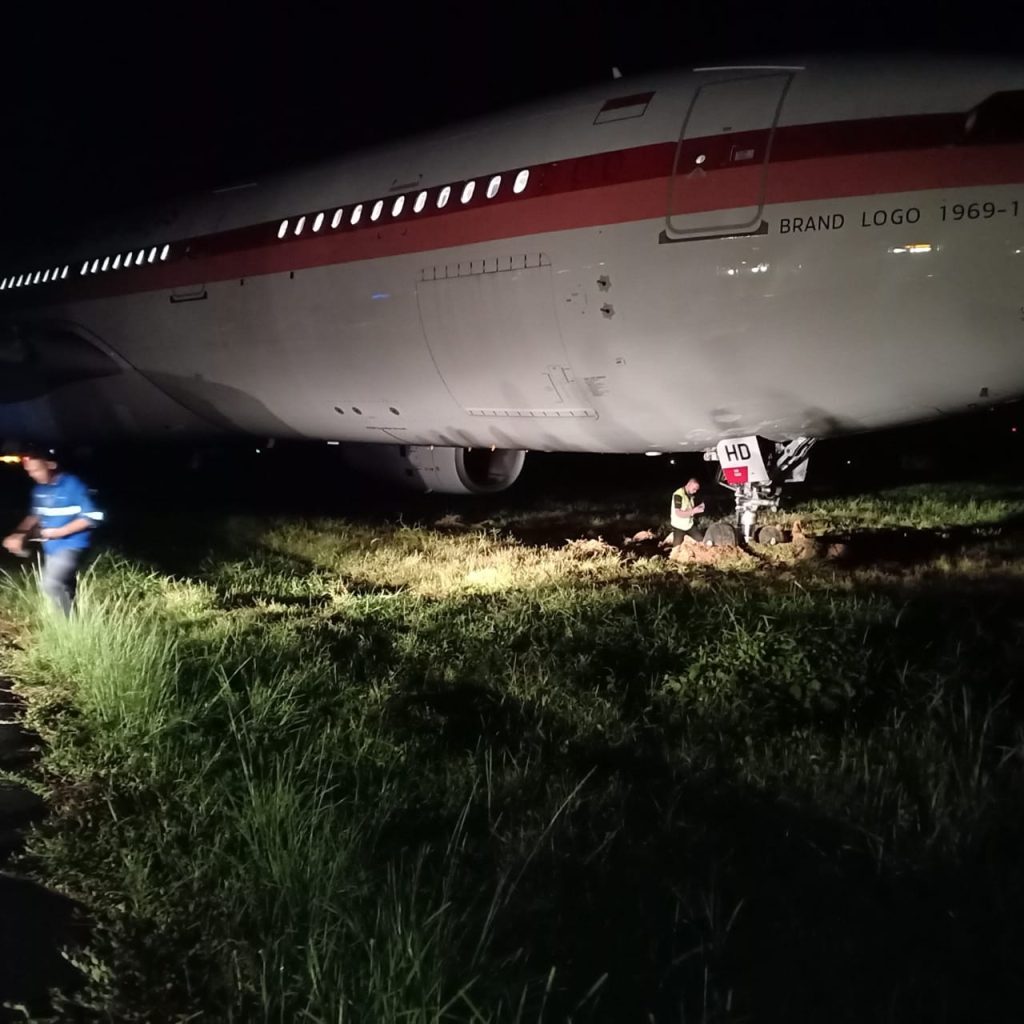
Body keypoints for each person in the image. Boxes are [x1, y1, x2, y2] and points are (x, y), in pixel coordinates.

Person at [2, 449, 103, 615]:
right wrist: (19, 534)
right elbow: (35, 516)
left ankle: (68, 626)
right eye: (29, 472)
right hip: (51, 547)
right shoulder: (39, 490)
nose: (32, 475)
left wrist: (60, 532)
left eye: (36, 470)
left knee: (50, 584)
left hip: (73, 544)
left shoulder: (73, 485)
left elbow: (92, 516)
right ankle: (74, 625)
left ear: (50, 464)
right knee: (65, 589)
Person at [667, 477, 705, 546]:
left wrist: (698, 508)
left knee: (702, 541)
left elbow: (689, 507)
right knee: (676, 548)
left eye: (696, 490)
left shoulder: (690, 495)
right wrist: (694, 511)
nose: (695, 491)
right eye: (694, 489)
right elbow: (678, 513)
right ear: (689, 484)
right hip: (679, 526)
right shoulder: (678, 495)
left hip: (689, 525)